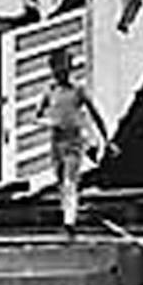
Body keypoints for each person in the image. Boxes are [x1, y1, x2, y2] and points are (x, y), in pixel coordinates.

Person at [43, 49, 112, 229]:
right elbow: (38, 114)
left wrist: (106, 139)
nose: (61, 74)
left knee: (70, 180)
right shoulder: (50, 91)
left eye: (64, 69)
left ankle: (69, 219)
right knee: (60, 179)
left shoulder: (78, 90)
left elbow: (95, 114)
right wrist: (47, 122)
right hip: (56, 141)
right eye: (57, 70)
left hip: (73, 140)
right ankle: (67, 211)